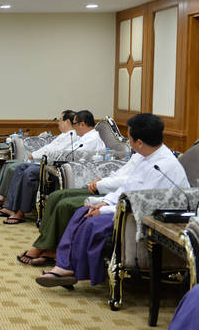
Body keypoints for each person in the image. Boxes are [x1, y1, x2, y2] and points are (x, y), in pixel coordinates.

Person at [36, 113, 189, 288]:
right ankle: (64, 266)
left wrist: (103, 210)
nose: (128, 141)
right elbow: (127, 187)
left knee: (91, 222)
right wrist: (105, 202)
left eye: (129, 138)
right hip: (126, 208)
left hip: (140, 218)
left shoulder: (163, 166)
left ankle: (71, 269)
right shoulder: (147, 156)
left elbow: (139, 203)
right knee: (82, 211)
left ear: (139, 142)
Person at [17, 152, 142, 265]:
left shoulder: (151, 162)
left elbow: (128, 184)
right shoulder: (139, 155)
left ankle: (44, 247)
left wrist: (101, 184)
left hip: (111, 193)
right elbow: (120, 175)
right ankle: (47, 246)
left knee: (66, 205)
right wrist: (102, 180)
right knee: (55, 197)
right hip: (107, 190)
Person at [0, 109, 106, 224]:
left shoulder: (91, 139)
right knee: (22, 168)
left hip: (71, 172)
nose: (74, 127)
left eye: (75, 124)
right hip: (62, 167)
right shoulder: (84, 137)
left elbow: (72, 155)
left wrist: (50, 158)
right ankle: (11, 207)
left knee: (29, 172)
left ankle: (20, 212)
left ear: (82, 124)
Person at [0, 110, 77, 208]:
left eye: (60, 120)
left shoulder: (71, 136)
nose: (58, 123)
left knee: (13, 168)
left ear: (67, 122)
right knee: (8, 163)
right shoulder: (64, 135)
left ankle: (3, 199)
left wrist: (34, 155)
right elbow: (47, 148)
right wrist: (34, 154)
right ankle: (1, 195)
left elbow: (53, 151)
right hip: (37, 160)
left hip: (44, 163)